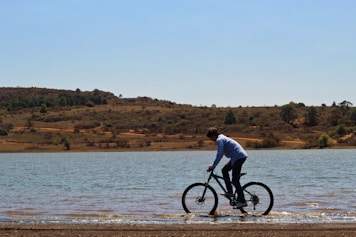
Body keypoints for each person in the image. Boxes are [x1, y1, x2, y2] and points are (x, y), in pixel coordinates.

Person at [206, 127, 248, 208]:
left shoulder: (219, 140)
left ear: (214, 135)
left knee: (235, 180)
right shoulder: (221, 138)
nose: (211, 140)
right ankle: (230, 192)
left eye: (211, 137)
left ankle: (242, 201)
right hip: (236, 157)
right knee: (224, 170)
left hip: (239, 157)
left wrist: (213, 166)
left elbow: (220, 153)